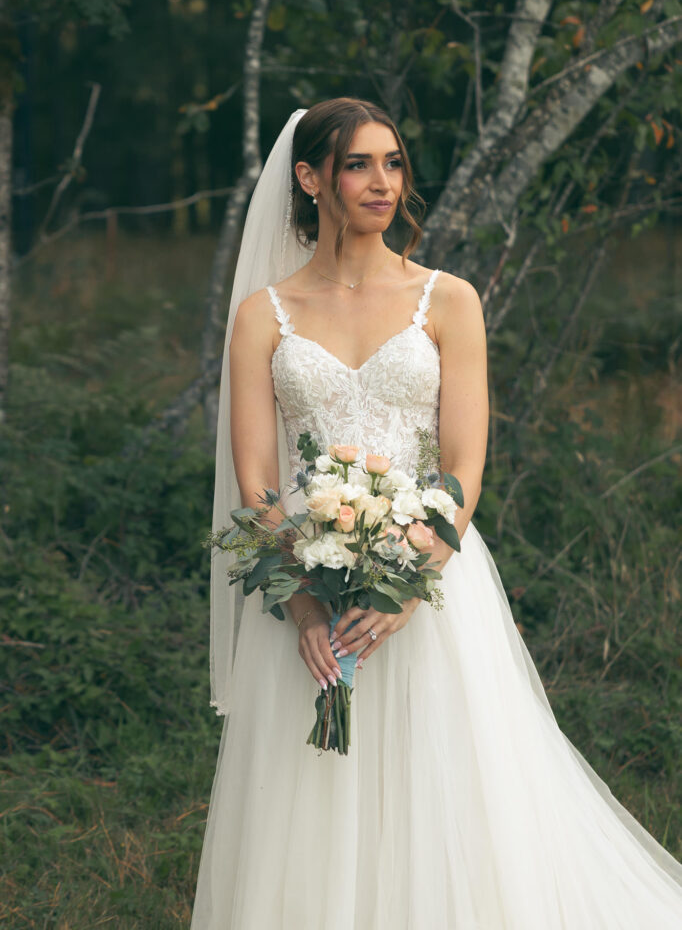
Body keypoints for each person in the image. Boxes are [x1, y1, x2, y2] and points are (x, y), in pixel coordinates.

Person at [190, 98, 682, 928]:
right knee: (310, 798)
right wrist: (305, 608)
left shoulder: (447, 300)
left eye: (392, 162)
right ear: (310, 179)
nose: (382, 182)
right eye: (357, 165)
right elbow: (257, 485)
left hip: (432, 584)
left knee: (445, 793)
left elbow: (462, 466)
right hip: (309, 589)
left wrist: (406, 586)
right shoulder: (262, 316)